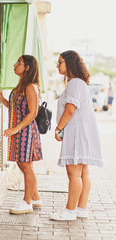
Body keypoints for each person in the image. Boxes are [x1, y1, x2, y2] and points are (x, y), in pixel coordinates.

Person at [50, 50, 103, 221]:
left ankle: (70, 211)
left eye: (60, 62)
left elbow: (70, 109)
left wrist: (58, 129)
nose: (58, 65)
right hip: (84, 133)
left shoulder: (74, 83)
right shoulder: (80, 83)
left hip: (77, 134)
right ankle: (80, 208)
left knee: (74, 174)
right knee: (83, 172)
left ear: (70, 63)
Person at [0, 55, 43, 214]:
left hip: (26, 131)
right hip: (21, 130)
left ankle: (27, 202)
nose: (15, 65)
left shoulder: (30, 87)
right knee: (23, 165)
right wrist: (1, 98)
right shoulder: (22, 85)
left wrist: (16, 129)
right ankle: (35, 198)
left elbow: (32, 113)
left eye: (19, 63)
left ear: (27, 67)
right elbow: (16, 108)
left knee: (26, 166)